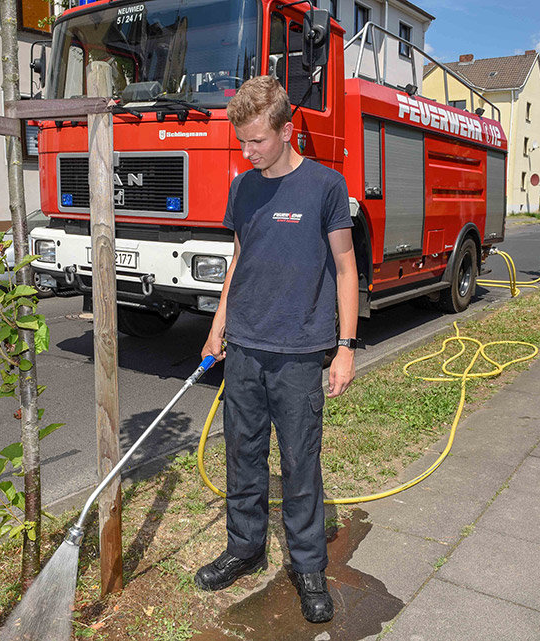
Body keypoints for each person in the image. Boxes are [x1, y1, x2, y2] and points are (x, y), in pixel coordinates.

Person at [194, 75, 359, 624]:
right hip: (243, 347)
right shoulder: (243, 187)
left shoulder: (325, 187)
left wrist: (345, 348)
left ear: (288, 130)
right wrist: (219, 326)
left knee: (299, 463)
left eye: (257, 141)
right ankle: (245, 547)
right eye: (241, 141)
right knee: (241, 455)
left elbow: (344, 267)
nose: (247, 152)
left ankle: (308, 565)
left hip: (299, 352)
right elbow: (239, 260)